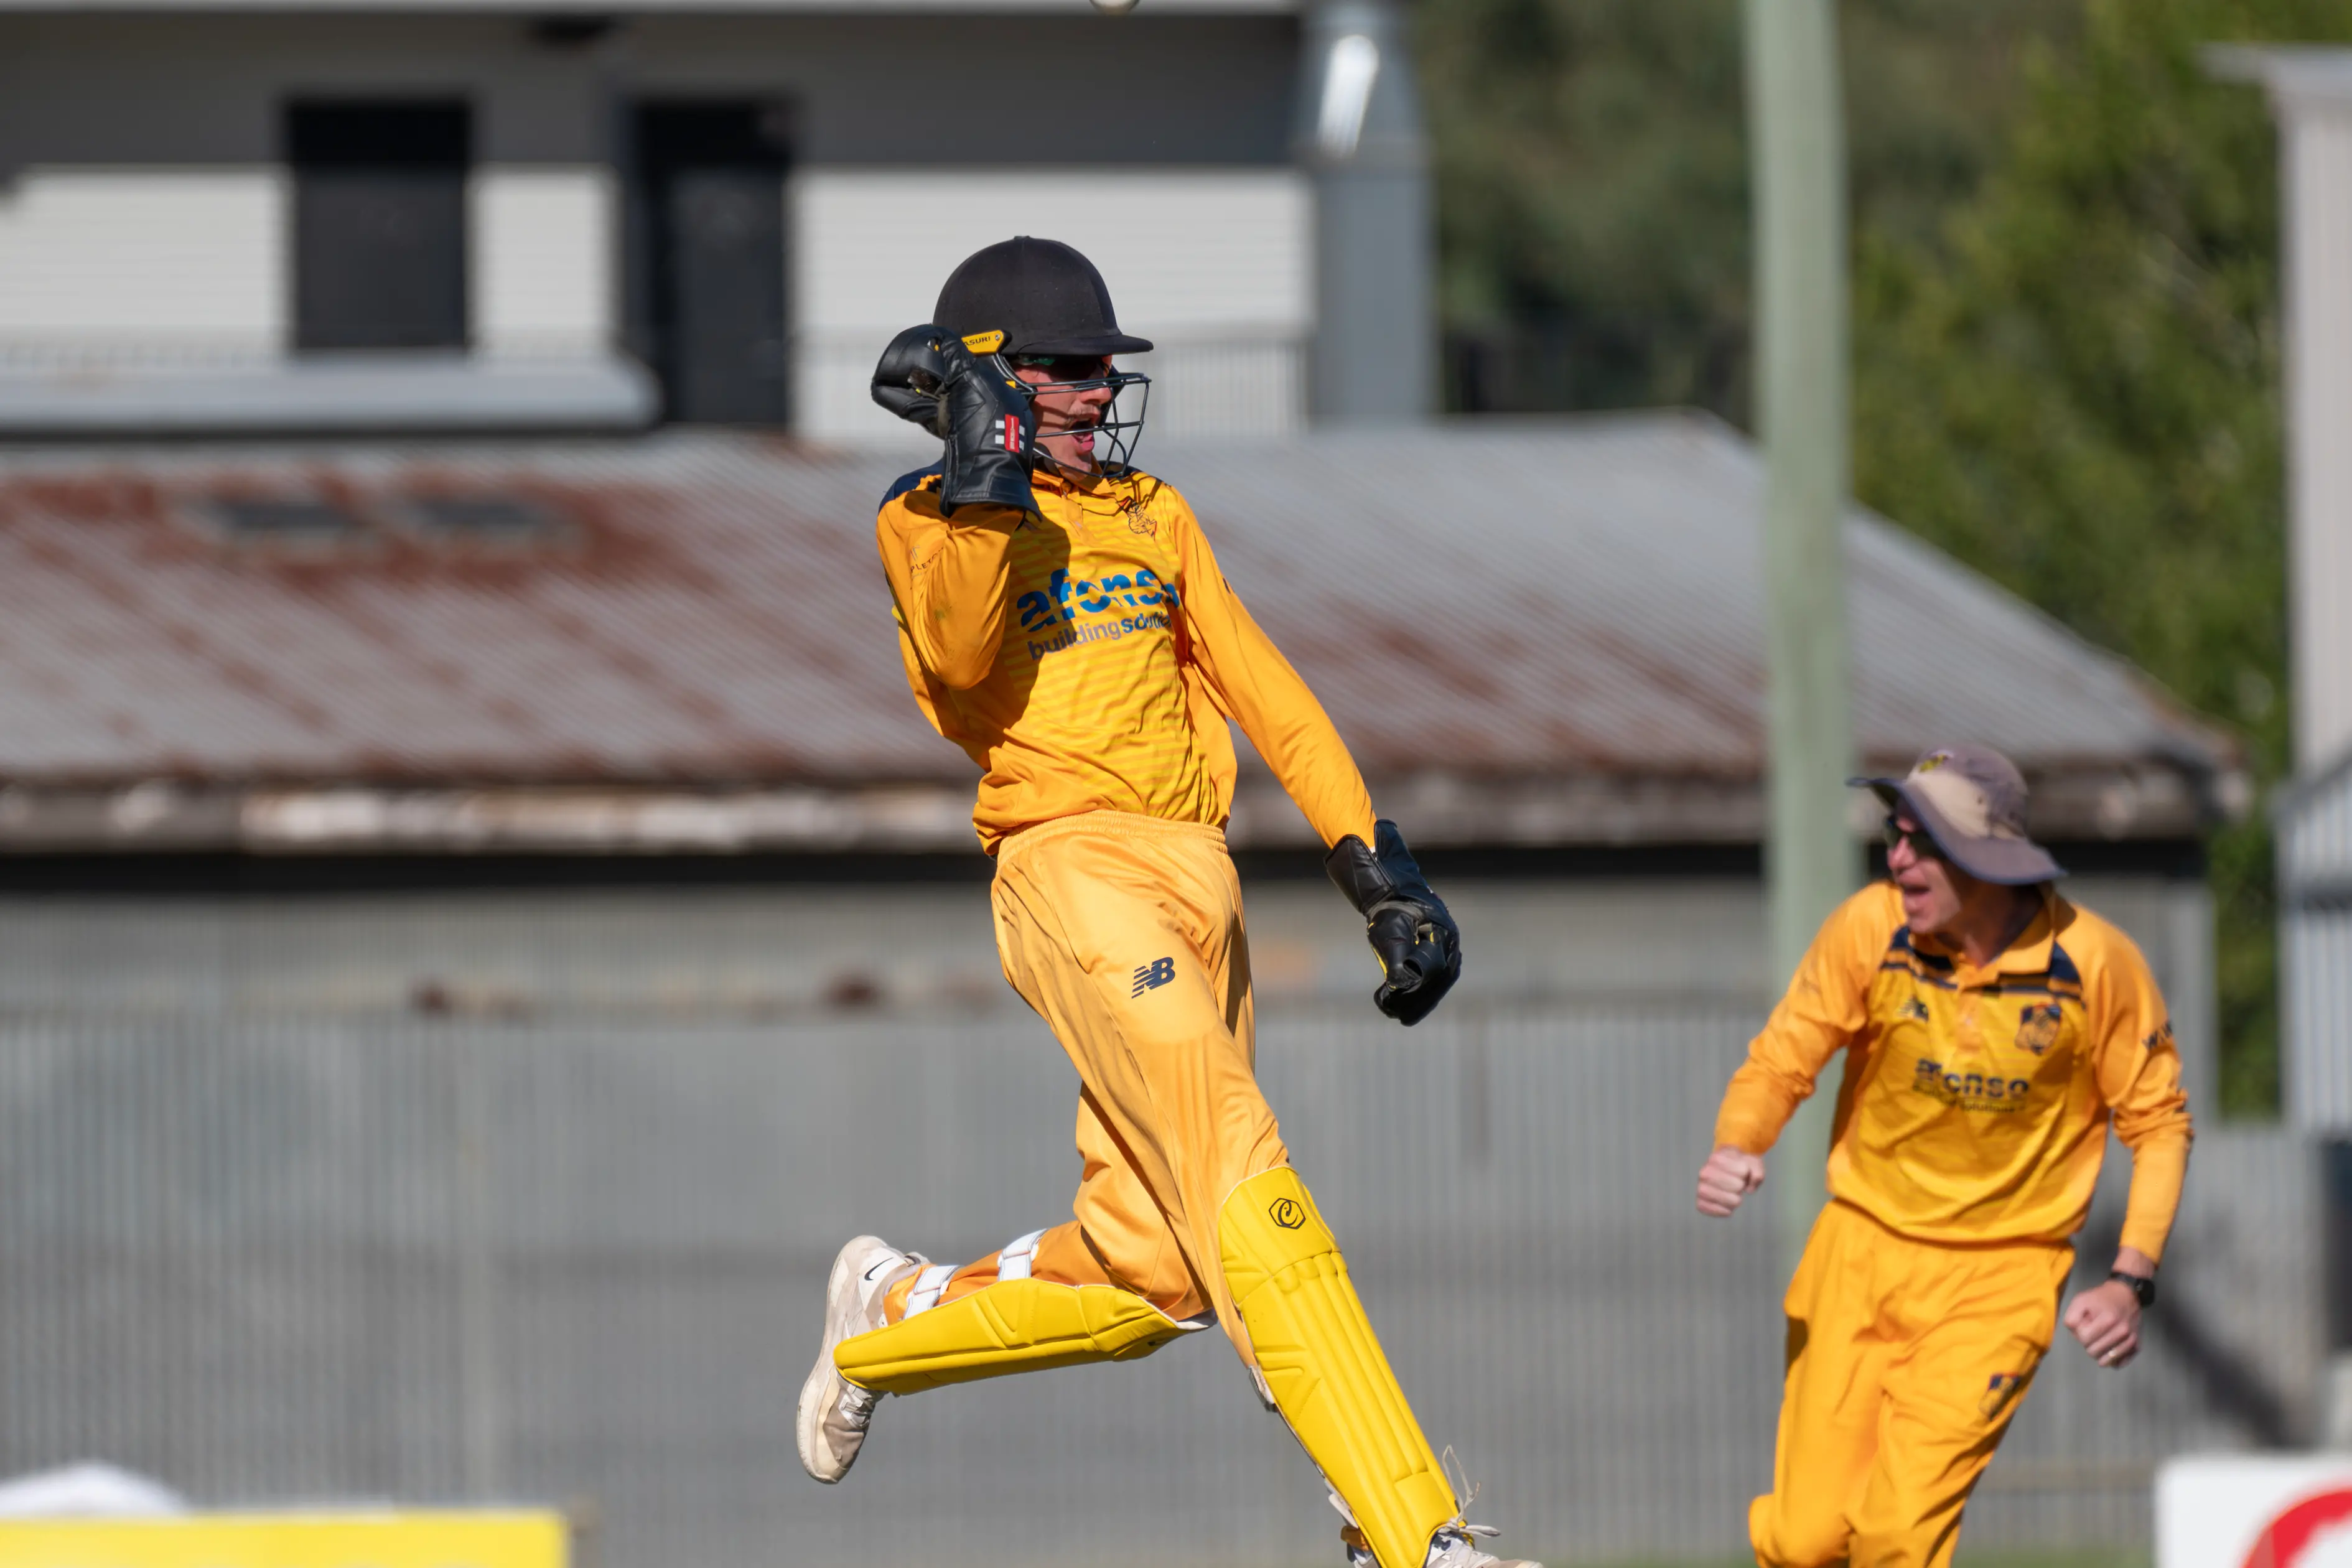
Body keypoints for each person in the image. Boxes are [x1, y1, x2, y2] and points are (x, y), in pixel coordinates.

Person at [795, 235, 1534, 1568]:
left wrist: (1378, 866)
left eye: (1103, 371)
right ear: (996, 384)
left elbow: (1271, 693)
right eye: (1072, 371)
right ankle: (1409, 1526)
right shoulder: (925, 520)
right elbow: (963, 656)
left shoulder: (1153, 513)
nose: (1098, 394)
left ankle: (884, 1321)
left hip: (1199, 880)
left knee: (1160, 1274)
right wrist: (980, 468)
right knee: (1242, 1167)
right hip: (1069, 868)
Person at [1695, 745, 2193, 1568]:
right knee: (1802, 1540)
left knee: (1897, 1537)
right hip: (1858, 1253)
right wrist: (1737, 1143)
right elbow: (1783, 1058)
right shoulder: (1870, 927)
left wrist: (2130, 1279)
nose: (1897, 859)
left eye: (1922, 842)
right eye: (1895, 837)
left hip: (2002, 1281)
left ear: (1990, 858)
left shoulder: (2096, 965)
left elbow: (2159, 1123)